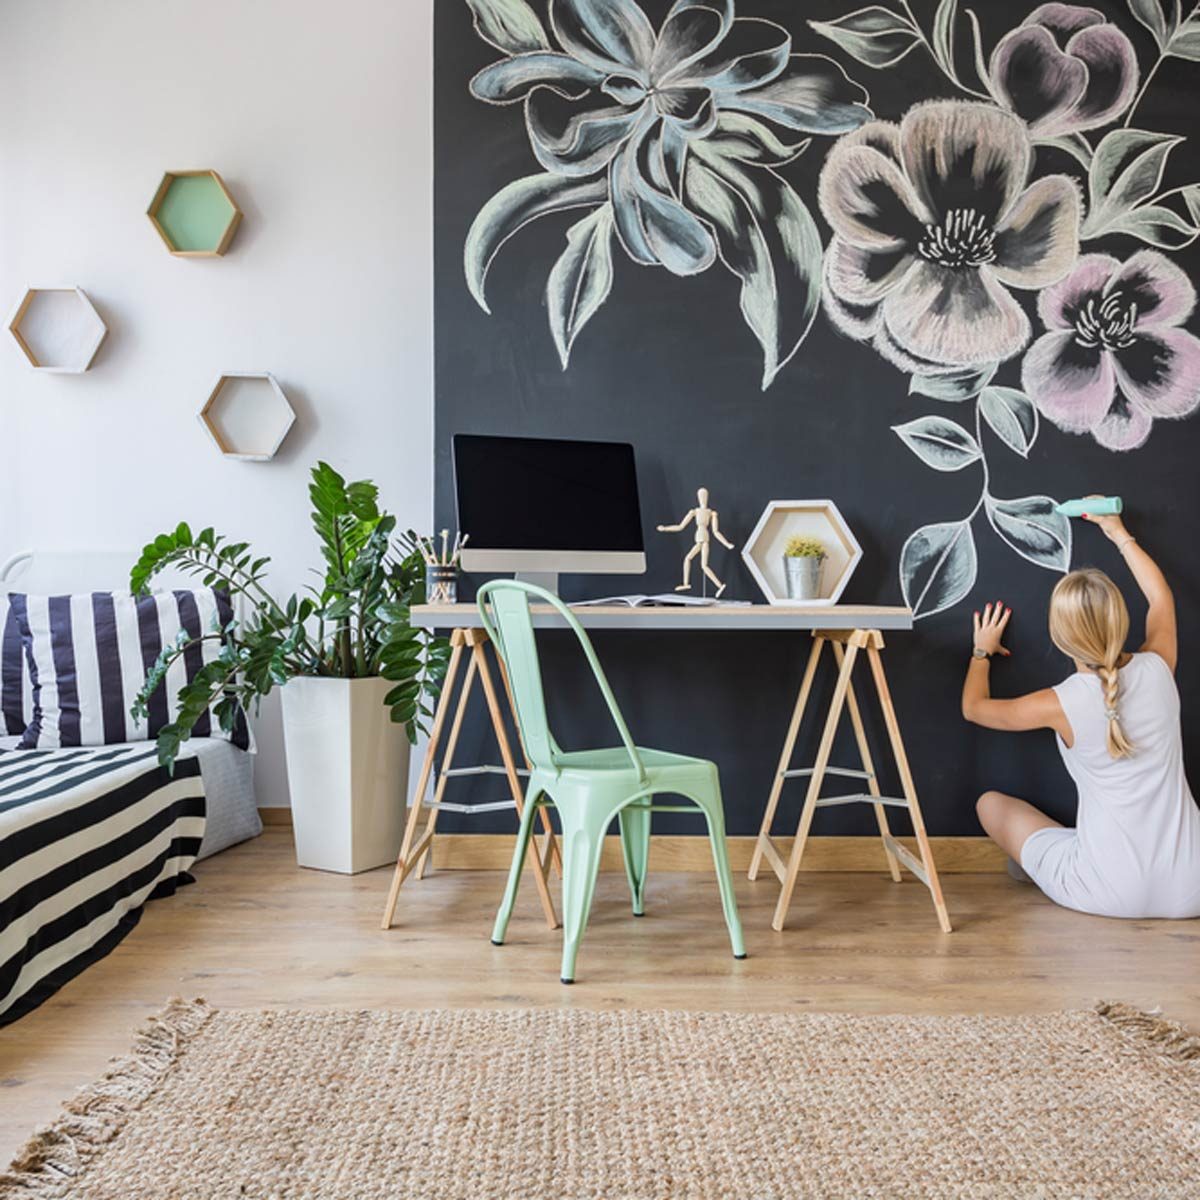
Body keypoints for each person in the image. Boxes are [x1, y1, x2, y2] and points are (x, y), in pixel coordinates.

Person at [961, 501, 1200, 919]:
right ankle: (1063, 852)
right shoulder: (1160, 667)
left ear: (1059, 636)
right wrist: (1118, 533)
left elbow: (974, 709)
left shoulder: (1057, 703)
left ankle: (1055, 860)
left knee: (990, 805)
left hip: (1106, 892)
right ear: (1121, 619)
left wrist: (982, 651)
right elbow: (1160, 597)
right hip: (1192, 887)